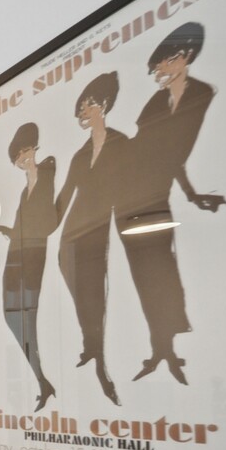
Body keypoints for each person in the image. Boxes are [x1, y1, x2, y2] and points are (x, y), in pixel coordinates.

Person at [116, 21, 226, 385]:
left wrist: (193, 194)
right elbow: (150, 150)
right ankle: (160, 348)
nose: (157, 73)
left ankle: (166, 348)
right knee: (147, 274)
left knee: (162, 269)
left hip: (153, 195)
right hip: (129, 194)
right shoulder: (155, 102)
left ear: (184, 57)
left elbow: (174, 154)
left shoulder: (200, 94)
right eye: (155, 67)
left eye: (163, 64)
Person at [54, 71, 128, 405]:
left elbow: (132, 190)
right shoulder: (79, 155)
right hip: (70, 236)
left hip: (98, 234)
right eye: (80, 107)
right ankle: (91, 346)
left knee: (95, 296)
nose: (82, 113)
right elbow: (63, 198)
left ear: (103, 105)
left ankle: (99, 363)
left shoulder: (121, 144)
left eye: (87, 106)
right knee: (84, 296)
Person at [0, 122, 61, 410]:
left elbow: (46, 224)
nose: (21, 160)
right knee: (11, 315)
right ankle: (42, 380)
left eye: (24, 152)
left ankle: (42, 381)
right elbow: (20, 230)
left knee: (27, 316)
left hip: (32, 258)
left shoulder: (48, 172)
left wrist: (34, 172)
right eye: (17, 157)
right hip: (15, 259)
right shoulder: (23, 191)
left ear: (33, 149)